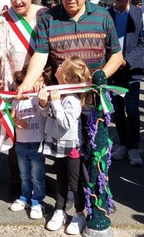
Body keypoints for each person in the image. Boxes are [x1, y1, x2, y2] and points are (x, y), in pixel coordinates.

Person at [16, 0, 123, 97]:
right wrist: (27, 83)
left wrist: (102, 74)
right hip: (61, 99)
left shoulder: (103, 16)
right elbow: (40, 56)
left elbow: (117, 56)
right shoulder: (48, 19)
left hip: (95, 95)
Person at [0, 0, 48, 200]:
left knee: (43, 135)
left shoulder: (44, 15)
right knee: (17, 136)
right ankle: (18, 180)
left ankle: (40, 180)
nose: (18, 1)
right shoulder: (4, 20)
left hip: (40, 84)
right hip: (15, 87)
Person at [40, 56, 90, 235]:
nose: (57, 67)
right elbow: (48, 115)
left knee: (75, 183)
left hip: (71, 147)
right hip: (57, 144)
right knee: (60, 178)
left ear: (67, 78)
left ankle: (79, 214)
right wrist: (44, 104)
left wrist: (53, 103)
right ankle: (59, 210)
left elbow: (67, 122)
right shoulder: (58, 92)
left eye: (61, 66)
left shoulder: (72, 99)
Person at [107, 0, 144, 166]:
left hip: (132, 71)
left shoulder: (140, 15)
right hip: (113, 73)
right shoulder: (106, 15)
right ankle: (122, 145)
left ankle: (133, 148)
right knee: (117, 112)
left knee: (132, 110)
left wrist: (127, 60)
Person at [8, 66, 47, 220]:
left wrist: (42, 97)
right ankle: (25, 197)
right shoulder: (18, 98)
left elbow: (46, 111)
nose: (31, 83)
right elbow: (11, 116)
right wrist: (16, 121)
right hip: (21, 144)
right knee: (24, 175)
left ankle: (38, 201)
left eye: (37, 79)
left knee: (37, 176)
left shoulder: (41, 96)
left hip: (37, 143)